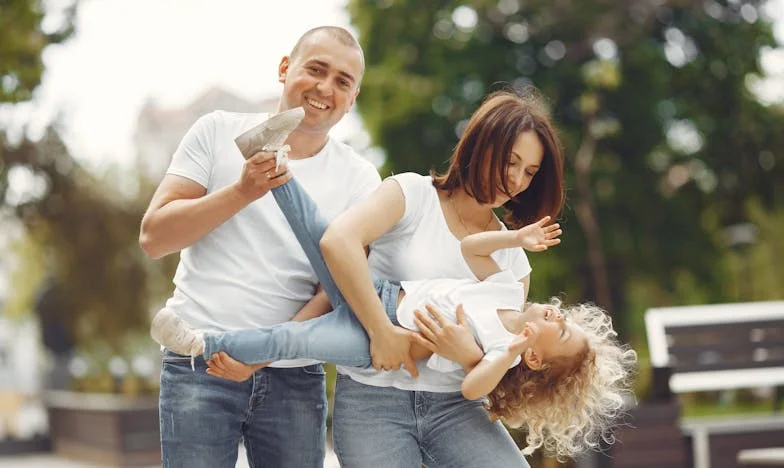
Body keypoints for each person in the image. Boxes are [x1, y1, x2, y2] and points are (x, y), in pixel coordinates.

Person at [204, 88, 597, 466]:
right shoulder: (411, 194)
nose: (516, 181)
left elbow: (506, 364)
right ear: (482, 144)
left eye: (529, 172)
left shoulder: (513, 256)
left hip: (457, 411)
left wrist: (469, 356)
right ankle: (272, 162)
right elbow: (338, 257)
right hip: (374, 402)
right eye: (510, 162)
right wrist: (380, 331)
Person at [151, 170, 636, 459]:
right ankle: (277, 168)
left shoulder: (502, 358)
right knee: (318, 230)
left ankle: (200, 341)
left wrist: (491, 353)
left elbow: (472, 389)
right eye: (565, 315)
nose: (556, 311)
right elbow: (473, 246)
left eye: (560, 328)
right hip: (380, 297)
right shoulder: (506, 286)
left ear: (534, 357)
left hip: (368, 346)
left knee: (290, 341)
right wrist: (514, 238)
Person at [138, 26, 380, 468]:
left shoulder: (361, 179)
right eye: (316, 69)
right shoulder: (216, 132)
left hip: (294, 376)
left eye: (342, 81)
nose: (326, 87)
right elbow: (154, 238)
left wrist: (267, 350)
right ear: (285, 69)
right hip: (198, 364)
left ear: (353, 97)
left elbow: (341, 289)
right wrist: (243, 191)